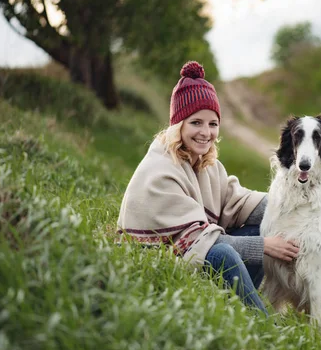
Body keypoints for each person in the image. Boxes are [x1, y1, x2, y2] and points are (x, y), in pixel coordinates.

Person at [117, 61, 299, 315]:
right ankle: (262, 321)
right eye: (196, 123)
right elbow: (198, 244)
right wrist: (265, 246)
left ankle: (236, 304)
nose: (206, 132)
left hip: (196, 250)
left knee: (261, 226)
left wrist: (289, 206)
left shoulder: (205, 164)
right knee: (225, 252)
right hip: (166, 258)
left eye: (212, 124)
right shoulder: (160, 171)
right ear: (178, 125)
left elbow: (237, 202)